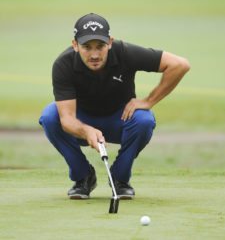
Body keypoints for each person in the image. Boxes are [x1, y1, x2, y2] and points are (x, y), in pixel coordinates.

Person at [39, 13, 190, 200]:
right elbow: (67, 119)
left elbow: (180, 65)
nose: (94, 54)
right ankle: (83, 177)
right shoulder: (64, 64)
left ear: (110, 42)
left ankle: (120, 179)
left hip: (120, 120)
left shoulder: (125, 52)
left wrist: (149, 101)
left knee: (144, 119)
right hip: (81, 121)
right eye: (87, 47)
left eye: (100, 46)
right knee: (50, 116)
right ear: (75, 45)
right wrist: (86, 131)